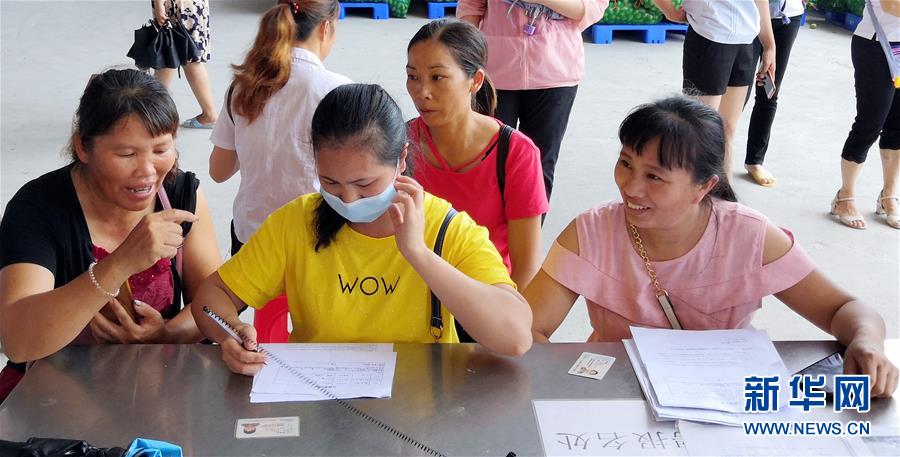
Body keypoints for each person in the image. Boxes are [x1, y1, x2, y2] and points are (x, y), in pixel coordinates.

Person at [524, 97, 898, 397]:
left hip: (723, 400)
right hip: (615, 395)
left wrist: (868, 342)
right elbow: (528, 331)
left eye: (654, 176)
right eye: (626, 164)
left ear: (704, 187)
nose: (631, 187)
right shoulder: (590, 232)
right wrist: (577, 386)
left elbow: (843, 309)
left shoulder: (749, 236)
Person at [192, 84, 533, 376]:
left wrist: (418, 253)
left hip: (421, 407)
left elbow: (516, 337)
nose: (348, 199)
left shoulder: (446, 227)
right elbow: (211, 296)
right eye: (330, 182)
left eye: (364, 184)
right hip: (321, 399)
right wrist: (231, 334)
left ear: (401, 159)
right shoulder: (297, 221)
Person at [0, 68, 222, 402]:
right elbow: (18, 341)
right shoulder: (38, 209)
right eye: (126, 154)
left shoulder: (180, 195)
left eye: (161, 150)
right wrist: (119, 264)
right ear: (83, 147)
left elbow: (213, 305)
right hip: (54, 396)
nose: (147, 171)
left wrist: (167, 334)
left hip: (156, 392)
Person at [405, 19, 548, 290]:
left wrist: (503, 313)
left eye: (437, 77)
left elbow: (525, 270)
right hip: (411, 295)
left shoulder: (516, 153)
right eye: (413, 77)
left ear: (475, 81)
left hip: (485, 297)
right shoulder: (400, 143)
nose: (422, 92)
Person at [209, 0, 351, 255]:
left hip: (250, 237)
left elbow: (218, 171)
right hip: (311, 241)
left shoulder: (243, 86)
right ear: (325, 28)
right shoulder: (339, 91)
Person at [457, 0, 609, 202]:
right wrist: (466, 60)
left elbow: (592, 7)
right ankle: (486, 222)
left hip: (555, 72)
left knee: (539, 162)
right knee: (487, 158)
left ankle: (531, 223)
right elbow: (471, 6)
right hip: (495, 72)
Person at [653, 0, 777, 181]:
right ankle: (691, 193)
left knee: (728, 129)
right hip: (709, 34)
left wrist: (769, 45)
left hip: (745, 38)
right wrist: (670, 11)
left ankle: (724, 192)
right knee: (700, 130)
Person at [831, 0, 900, 230]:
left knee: (897, 125)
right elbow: (892, 6)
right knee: (870, 122)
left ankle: (889, 195)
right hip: (876, 46)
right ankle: (845, 196)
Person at [743, 0, 806, 187]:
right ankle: (714, 159)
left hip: (788, 17)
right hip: (751, 14)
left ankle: (755, 161)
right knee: (737, 93)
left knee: (769, 92)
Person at [152, 0, 218, 129]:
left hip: (177, 6)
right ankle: (152, 109)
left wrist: (159, 3)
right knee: (176, 54)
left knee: (172, 53)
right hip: (191, 5)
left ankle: (152, 111)